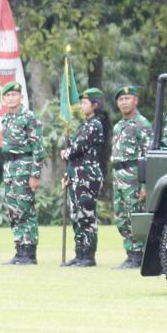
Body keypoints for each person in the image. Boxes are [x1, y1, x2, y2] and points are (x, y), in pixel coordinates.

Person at [60, 88, 110, 268]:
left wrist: (66, 152)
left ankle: (88, 255)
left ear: (95, 105)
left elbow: (77, 148)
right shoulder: (84, 125)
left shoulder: (94, 125)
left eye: (84, 103)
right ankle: (79, 253)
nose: (81, 106)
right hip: (77, 175)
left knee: (86, 216)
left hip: (87, 176)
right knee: (77, 215)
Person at [0, 81, 43, 265]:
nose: (11, 98)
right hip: (10, 167)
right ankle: (19, 250)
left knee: (26, 209)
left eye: (14, 95)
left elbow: (38, 148)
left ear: (20, 97)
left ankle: (29, 252)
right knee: (13, 210)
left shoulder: (29, 117)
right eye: (8, 95)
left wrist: (35, 174)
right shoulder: (6, 119)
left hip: (25, 166)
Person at [109, 85, 152, 270]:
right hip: (119, 176)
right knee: (121, 216)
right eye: (121, 99)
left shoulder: (142, 124)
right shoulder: (119, 126)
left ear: (136, 100)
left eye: (128, 98)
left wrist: (145, 184)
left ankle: (139, 254)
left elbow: (148, 155)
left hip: (134, 176)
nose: (124, 102)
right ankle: (130, 253)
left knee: (135, 215)